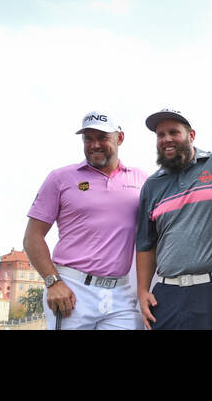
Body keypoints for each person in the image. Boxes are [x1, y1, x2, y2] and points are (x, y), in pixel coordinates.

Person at [25, 110, 147, 330]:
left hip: (121, 293)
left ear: (119, 138)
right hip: (71, 290)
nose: (95, 145)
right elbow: (33, 237)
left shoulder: (141, 180)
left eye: (102, 138)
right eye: (88, 139)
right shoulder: (60, 178)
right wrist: (53, 282)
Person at [135, 108, 212, 330]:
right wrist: (142, 292)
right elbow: (145, 243)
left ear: (191, 135)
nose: (166, 139)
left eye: (174, 132)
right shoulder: (152, 185)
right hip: (167, 295)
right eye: (160, 135)